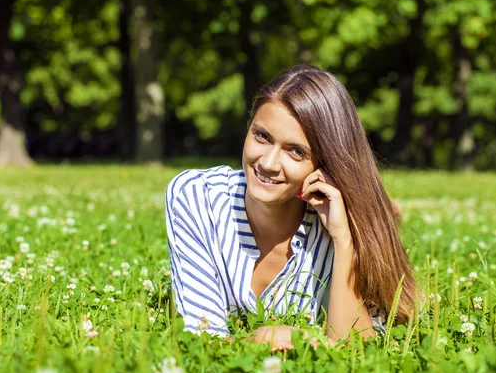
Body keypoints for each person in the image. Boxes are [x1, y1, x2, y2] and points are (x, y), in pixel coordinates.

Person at [165, 65, 417, 351]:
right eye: (262, 136)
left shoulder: (340, 225)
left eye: (296, 151)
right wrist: (262, 339)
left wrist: (344, 241)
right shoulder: (198, 197)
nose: (269, 164)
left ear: (324, 164)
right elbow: (201, 341)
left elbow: (359, 351)